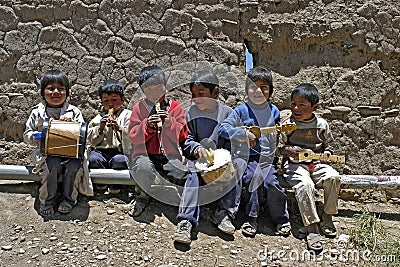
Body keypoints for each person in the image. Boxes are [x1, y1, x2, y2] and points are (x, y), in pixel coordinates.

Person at [174, 70, 245, 244]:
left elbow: (235, 141)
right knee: (192, 172)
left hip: (222, 160)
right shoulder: (190, 113)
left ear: (215, 92)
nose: (196, 99)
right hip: (197, 159)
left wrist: (224, 157)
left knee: (237, 166)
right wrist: (197, 148)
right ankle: (186, 220)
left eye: (201, 94)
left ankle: (225, 213)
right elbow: (186, 139)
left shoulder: (229, 113)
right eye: (193, 95)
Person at [219, 66, 291, 237]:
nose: (258, 90)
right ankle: (251, 217)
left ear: (270, 90)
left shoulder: (273, 111)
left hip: (267, 159)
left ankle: (281, 219)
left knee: (272, 183)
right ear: (247, 90)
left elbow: (274, 135)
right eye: (253, 86)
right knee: (253, 178)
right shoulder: (241, 111)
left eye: (263, 87)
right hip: (249, 158)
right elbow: (223, 129)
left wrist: (275, 134)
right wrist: (243, 133)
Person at [278, 83, 341, 251]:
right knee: (305, 184)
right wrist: (288, 150)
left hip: (317, 163)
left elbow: (329, 146)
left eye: (302, 105)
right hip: (295, 165)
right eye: (293, 103)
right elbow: (278, 148)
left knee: (333, 178)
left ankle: (327, 216)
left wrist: (327, 154)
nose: (296, 108)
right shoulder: (288, 124)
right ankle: (312, 227)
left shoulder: (321, 125)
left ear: (315, 107)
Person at [23, 69, 93, 217]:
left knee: (74, 166)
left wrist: (70, 126)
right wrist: (41, 135)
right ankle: (47, 201)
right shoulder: (37, 112)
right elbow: (27, 135)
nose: (56, 92)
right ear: (43, 92)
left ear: (67, 92)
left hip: (71, 153)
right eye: (50, 88)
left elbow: (81, 135)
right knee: (51, 165)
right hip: (46, 153)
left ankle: (69, 199)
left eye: (61, 89)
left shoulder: (74, 112)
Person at [128, 65, 188, 217]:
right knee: (142, 167)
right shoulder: (139, 108)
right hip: (145, 154)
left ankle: (184, 202)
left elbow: (183, 135)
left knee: (181, 171)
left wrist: (170, 123)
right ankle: (142, 196)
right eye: (149, 89)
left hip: (169, 155)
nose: (154, 93)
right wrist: (146, 125)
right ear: (143, 90)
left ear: (165, 87)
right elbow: (133, 135)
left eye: (158, 88)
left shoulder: (175, 108)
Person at [87, 80, 132, 194]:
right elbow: (91, 139)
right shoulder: (97, 118)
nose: (110, 104)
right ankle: (101, 183)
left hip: (120, 152)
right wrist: (100, 128)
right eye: (106, 100)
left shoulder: (128, 116)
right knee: (93, 159)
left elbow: (133, 137)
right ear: (102, 102)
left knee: (119, 161)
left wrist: (119, 128)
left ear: (122, 100)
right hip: (101, 152)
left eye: (114, 99)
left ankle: (116, 184)